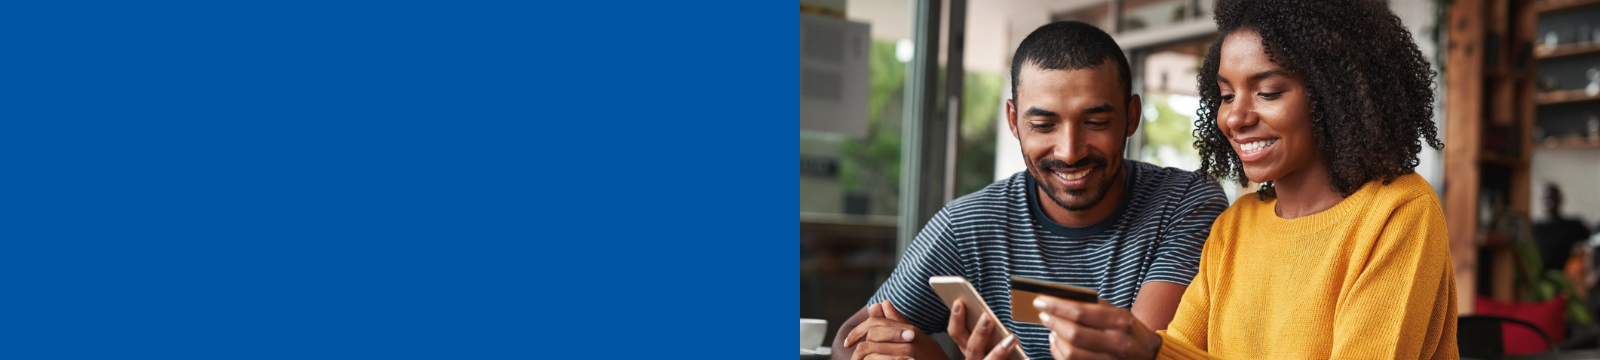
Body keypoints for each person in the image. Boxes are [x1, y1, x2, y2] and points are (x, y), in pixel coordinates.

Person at [1026, 0, 1459, 358]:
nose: (1235, 116)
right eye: (1227, 94)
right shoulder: (1236, 227)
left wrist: (1151, 352)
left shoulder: (1397, 213)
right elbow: (1180, 350)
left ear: (1336, 93)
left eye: (1268, 92)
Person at [833, 21, 1230, 360]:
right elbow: (848, 340)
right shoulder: (968, 225)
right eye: (1043, 125)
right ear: (1013, 120)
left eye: (1095, 121)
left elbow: (1134, 352)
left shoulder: (1184, 204)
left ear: (1131, 117)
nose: (1070, 151)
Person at [1535, 184, 1591, 274]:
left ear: (1560, 200)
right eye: (1545, 198)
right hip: (1539, 278)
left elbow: (1593, 242)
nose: (1549, 202)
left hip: (1565, 277)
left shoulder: (1573, 226)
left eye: (1553, 198)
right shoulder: (1534, 229)